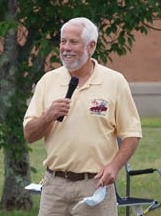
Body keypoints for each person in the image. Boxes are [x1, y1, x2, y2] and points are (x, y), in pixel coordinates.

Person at [23, 17, 142, 216]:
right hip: (54, 187)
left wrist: (114, 167)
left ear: (91, 46)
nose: (66, 48)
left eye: (73, 42)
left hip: (94, 186)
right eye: (63, 41)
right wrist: (48, 116)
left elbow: (132, 133)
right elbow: (29, 135)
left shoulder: (114, 82)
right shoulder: (48, 81)